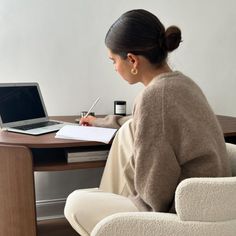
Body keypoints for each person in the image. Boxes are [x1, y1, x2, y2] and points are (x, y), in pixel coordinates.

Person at [64, 9, 232, 235]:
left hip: (182, 211)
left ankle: (114, 220)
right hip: (214, 202)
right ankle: (110, 205)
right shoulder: (182, 83)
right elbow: (142, 123)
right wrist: (100, 121)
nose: (114, 67)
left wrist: (133, 184)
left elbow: (155, 195)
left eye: (113, 60)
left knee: (76, 203)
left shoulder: (153, 98)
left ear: (132, 60)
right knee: (128, 132)